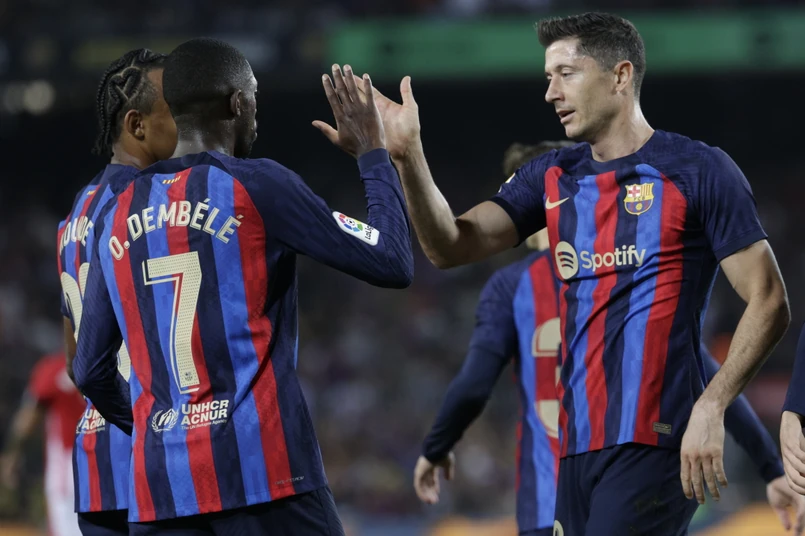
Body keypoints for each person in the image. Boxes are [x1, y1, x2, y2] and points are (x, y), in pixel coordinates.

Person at [357, 12, 789, 535]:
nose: (551, 93)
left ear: (620, 76)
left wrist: (711, 405)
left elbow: (769, 299)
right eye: (548, 77)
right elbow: (449, 246)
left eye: (567, 74)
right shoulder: (552, 176)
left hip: (654, 439)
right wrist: (408, 157)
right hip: (577, 447)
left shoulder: (697, 170)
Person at [73, 38, 412, 535]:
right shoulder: (259, 184)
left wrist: (158, 427)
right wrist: (374, 154)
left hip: (160, 493)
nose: (257, 113)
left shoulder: (116, 212)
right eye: (254, 98)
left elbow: (89, 369)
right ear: (236, 103)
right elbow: (392, 260)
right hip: (265, 482)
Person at [414, 142, 805, 536]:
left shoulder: (511, 288)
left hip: (549, 498)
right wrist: (769, 465)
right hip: (622, 475)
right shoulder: (621, 283)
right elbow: (699, 369)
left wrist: (437, 446)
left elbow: (474, 384)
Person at [58, 48, 177, 535]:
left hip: (96, 462)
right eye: (175, 110)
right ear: (136, 124)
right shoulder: (145, 206)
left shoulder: (76, 212)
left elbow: (76, 360)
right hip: (152, 460)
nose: (186, 122)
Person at [0, 353, 85, 536]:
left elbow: (28, 418)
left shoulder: (54, 368)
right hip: (105, 461)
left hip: (65, 466)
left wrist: (13, 453)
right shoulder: (111, 360)